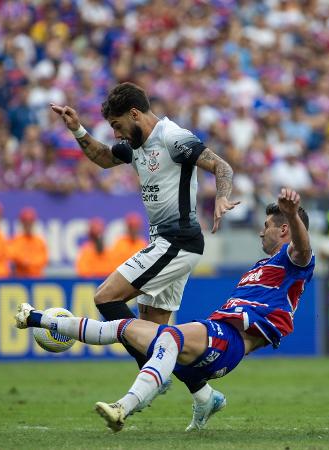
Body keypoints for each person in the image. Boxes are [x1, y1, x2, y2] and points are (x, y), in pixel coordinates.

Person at [16, 188, 314, 432]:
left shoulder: (292, 263)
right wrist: (36, 320)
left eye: (266, 227)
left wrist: (291, 213)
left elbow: (302, 249)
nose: (261, 233)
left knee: (169, 338)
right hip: (219, 336)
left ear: (284, 229)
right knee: (123, 329)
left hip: (231, 340)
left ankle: (123, 407)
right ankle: (35, 318)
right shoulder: (262, 266)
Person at [50, 82, 239, 398]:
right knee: (154, 333)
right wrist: (78, 130)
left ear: (135, 114)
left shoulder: (172, 138)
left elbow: (222, 166)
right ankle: (204, 394)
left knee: (106, 298)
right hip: (167, 243)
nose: (117, 134)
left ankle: (154, 374)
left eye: (118, 125)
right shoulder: (136, 144)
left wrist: (221, 197)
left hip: (177, 241)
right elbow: (104, 157)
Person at [9, 207, 49, 278]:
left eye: (30, 222)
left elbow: (43, 259)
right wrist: (25, 261)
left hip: (37, 277)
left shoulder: (39, 241)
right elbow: (14, 255)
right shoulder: (16, 240)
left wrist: (29, 262)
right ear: (22, 223)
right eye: (26, 223)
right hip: (21, 277)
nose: (28, 225)